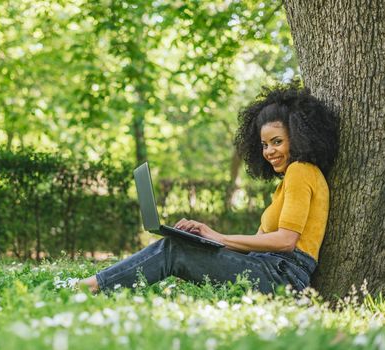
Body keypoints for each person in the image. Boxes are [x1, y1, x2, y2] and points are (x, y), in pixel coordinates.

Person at [79, 83, 339, 294]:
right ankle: (95, 285)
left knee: (173, 250)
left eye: (277, 142)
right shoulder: (287, 183)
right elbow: (256, 244)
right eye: (264, 145)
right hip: (269, 268)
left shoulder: (301, 170)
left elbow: (285, 242)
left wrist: (220, 239)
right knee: (180, 245)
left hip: (283, 277)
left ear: (300, 136)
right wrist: (205, 238)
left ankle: (89, 287)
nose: (269, 151)